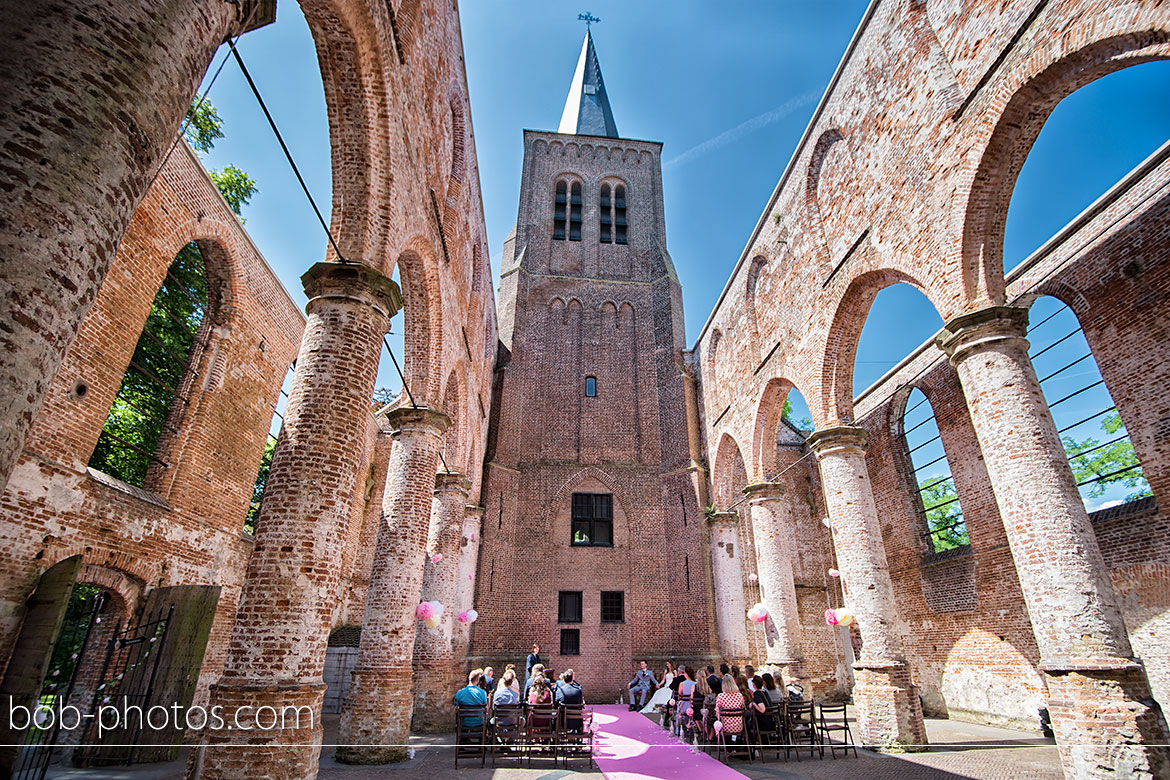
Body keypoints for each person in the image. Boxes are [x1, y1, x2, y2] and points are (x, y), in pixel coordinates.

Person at [715, 673, 747, 744]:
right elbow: (743, 708)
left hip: (725, 727)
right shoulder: (739, 695)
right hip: (738, 726)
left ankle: (728, 745)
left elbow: (717, 713)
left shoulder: (721, 696)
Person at [750, 674, 775, 741]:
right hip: (771, 722)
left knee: (748, 722)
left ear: (754, 684)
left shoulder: (757, 693)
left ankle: (750, 743)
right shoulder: (765, 692)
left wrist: (754, 704)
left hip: (764, 724)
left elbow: (762, 710)